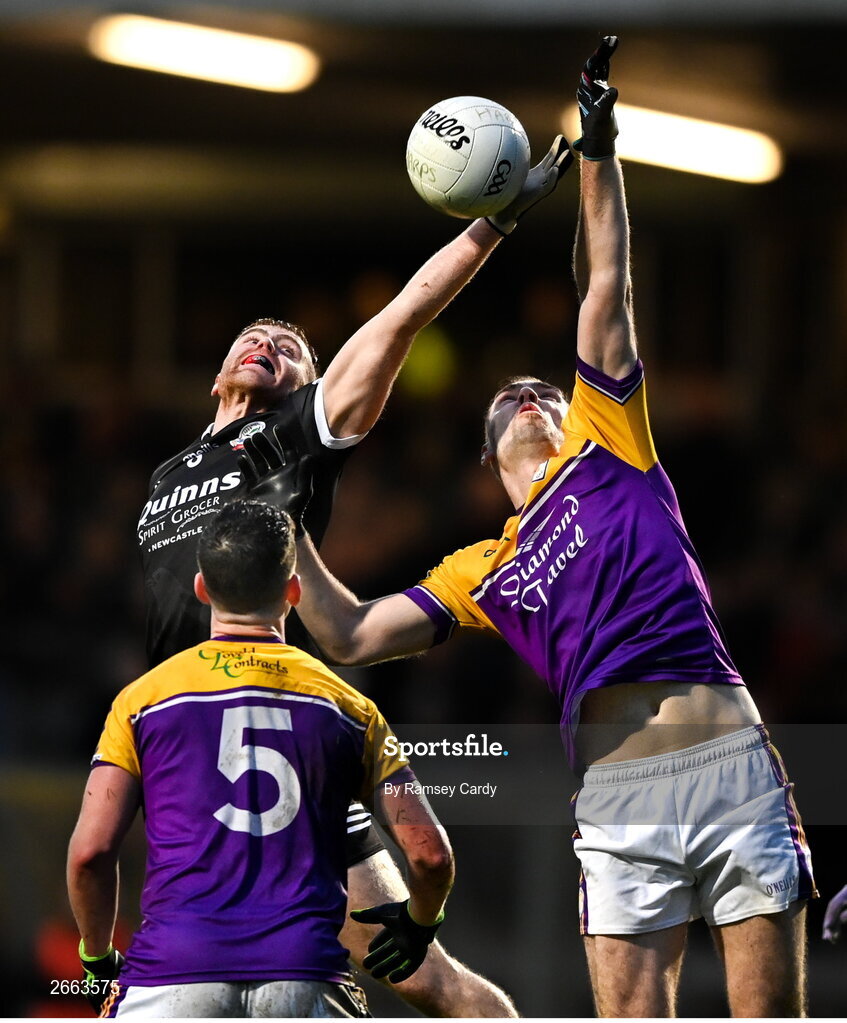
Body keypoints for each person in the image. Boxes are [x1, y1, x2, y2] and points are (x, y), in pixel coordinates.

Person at [289, 38, 816, 1018]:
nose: (528, 399)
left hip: (731, 768)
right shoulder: (483, 566)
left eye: (542, 393)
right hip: (615, 811)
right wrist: (287, 530)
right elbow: (349, 633)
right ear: (491, 467)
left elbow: (605, 283)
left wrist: (599, 145)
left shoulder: (611, 445)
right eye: (506, 405)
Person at [134, 152, 572, 1016]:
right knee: (383, 970)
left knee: (377, 973)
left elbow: (403, 316)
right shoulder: (166, 469)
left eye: (292, 350)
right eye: (254, 338)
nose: (270, 344)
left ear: (316, 388)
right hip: (186, 740)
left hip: (274, 725)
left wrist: (494, 221)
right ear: (217, 369)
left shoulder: (299, 433)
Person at [68, 499, 455, 1018]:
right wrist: (420, 922)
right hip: (305, 976)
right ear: (293, 591)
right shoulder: (350, 708)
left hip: (173, 976)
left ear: (203, 587)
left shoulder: (142, 701)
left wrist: (97, 957)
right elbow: (430, 855)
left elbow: (90, 854)